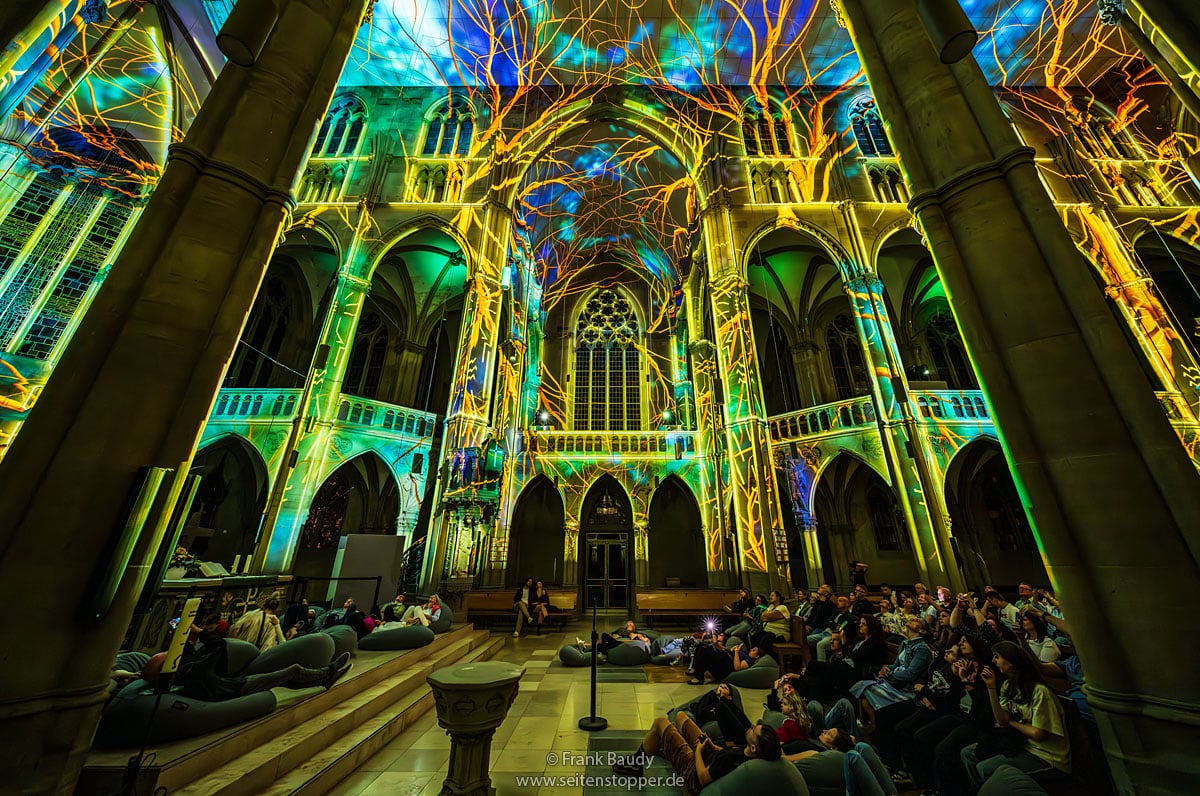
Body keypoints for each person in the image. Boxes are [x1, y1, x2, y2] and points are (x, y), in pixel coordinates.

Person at [961, 641, 1071, 790]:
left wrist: (1012, 723)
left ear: (1011, 662)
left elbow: (1038, 733)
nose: (993, 661)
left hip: (1047, 755)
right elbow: (1001, 719)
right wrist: (991, 688)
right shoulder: (1008, 686)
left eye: (997, 657)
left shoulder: (1039, 691)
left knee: (983, 768)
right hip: (1023, 744)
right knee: (967, 753)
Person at [141, 623, 352, 701]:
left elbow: (186, 653)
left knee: (285, 677)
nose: (169, 653)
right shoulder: (190, 672)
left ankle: (324, 677)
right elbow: (219, 647)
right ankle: (328, 672)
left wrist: (185, 637)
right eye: (165, 657)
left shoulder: (186, 668)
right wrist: (200, 632)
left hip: (232, 682)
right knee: (292, 670)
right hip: (235, 688)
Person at [612, 711, 781, 792]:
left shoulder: (732, 762)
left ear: (753, 747)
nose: (751, 728)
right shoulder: (748, 756)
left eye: (753, 731)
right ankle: (666, 743)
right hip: (709, 754)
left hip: (694, 770)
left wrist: (699, 752)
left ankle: (636, 763)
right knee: (680, 716)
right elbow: (728, 756)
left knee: (660, 722)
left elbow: (702, 777)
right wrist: (714, 747)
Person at [850, 616, 933, 733]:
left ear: (922, 631)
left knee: (865, 689)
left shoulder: (922, 649)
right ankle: (872, 725)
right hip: (895, 680)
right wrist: (885, 668)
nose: (912, 619)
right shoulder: (905, 643)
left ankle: (873, 727)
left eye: (917, 621)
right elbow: (895, 665)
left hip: (906, 687)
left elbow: (910, 674)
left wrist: (890, 673)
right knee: (862, 690)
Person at [689, 642, 761, 685]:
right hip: (724, 658)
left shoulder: (750, 661)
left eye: (753, 650)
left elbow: (737, 667)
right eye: (752, 649)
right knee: (701, 645)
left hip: (724, 668)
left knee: (704, 650)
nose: (751, 650)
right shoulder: (746, 655)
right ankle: (694, 669)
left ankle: (699, 678)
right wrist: (731, 650)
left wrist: (736, 652)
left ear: (757, 656)